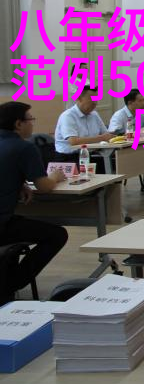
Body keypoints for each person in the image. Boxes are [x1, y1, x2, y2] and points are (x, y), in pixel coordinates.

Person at [0, 102, 69, 304]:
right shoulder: (24, 148)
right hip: (2, 224)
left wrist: (19, 183)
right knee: (57, 234)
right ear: (18, 124)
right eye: (30, 119)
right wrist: (55, 177)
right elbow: (44, 186)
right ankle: (13, 283)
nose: (32, 123)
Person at [109, 90, 144, 194]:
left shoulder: (141, 115)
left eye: (143, 101)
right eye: (140, 101)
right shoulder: (119, 115)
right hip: (121, 150)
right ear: (130, 103)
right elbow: (112, 134)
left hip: (137, 146)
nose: (143, 104)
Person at [53, 87, 114, 170]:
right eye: (92, 99)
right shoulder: (68, 116)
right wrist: (102, 138)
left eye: (96, 99)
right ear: (79, 99)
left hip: (91, 155)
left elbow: (106, 135)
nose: (95, 103)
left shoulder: (94, 115)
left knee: (113, 167)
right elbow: (73, 141)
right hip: (69, 159)